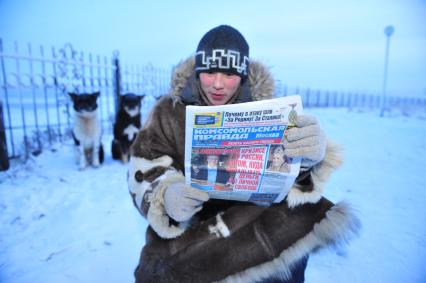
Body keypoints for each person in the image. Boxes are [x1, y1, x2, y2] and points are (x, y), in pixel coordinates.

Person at [128, 25, 360, 283]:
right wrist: (165, 195)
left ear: (243, 75)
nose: (218, 84)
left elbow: (292, 180)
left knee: (286, 261)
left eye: (229, 73)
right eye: (209, 72)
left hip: (253, 219)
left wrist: (307, 160)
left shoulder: (272, 111)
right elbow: (145, 165)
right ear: (197, 72)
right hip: (195, 229)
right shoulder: (167, 111)